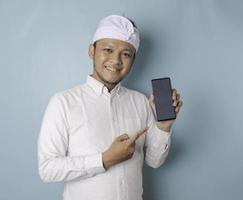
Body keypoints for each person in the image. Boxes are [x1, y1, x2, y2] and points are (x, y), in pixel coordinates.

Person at [37, 14, 183, 200]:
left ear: (133, 60)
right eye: (108, 49)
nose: (116, 60)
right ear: (91, 51)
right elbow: (47, 169)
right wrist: (104, 159)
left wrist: (164, 127)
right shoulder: (63, 102)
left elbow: (154, 161)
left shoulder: (140, 102)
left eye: (126, 54)